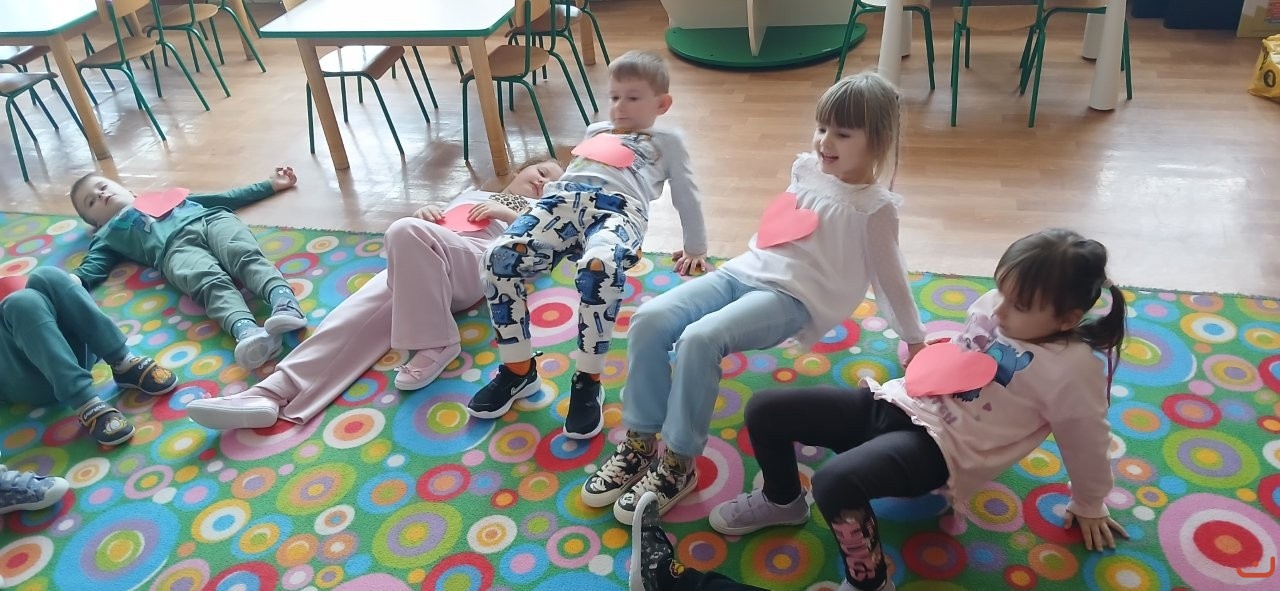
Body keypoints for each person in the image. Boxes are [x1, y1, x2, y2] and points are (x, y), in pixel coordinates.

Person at [702, 228, 1130, 591]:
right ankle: (782, 500)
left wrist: (1090, 502)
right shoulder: (996, 308)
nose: (998, 307)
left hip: (944, 450)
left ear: (1067, 319)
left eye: (1018, 304)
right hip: (898, 401)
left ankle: (870, 582)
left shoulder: (1072, 370)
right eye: (1002, 288)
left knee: (834, 483)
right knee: (766, 408)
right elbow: (965, 352)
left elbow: (1087, 439)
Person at [585, 73, 928, 525]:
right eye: (822, 127)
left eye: (843, 134)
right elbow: (782, 230)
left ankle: (679, 462)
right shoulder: (806, 169)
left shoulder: (874, 208)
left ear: (877, 140)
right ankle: (640, 439)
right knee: (649, 318)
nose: (825, 142)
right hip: (743, 271)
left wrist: (914, 338)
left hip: (793, 296)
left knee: (700, 340)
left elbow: (890, 275)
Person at [183, 161, 564, 429]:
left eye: (554, 183)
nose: (542, 182)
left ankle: (437, 341)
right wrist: (428, 212)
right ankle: (272, 391)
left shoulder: (542, 209)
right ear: (520, 169)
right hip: (424, 262)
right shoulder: (472, 193)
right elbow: (438, 223)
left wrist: (509, 215)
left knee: (403, 230)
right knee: (351, 317)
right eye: (541, 172)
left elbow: (540, 256)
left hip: (477, 263)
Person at [469, 50, 709, 441]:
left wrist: (695, 246)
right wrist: (536, 211)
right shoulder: (596, 130)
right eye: (614, 97)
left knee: (600, 268)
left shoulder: (668, 140)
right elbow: (576, 177)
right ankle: (517, 370)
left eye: (633, 98)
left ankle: (587, 380)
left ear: (661, 104)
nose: (620, 106)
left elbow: (687, 193)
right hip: (561, 202)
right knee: (498, 257)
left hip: (619, 209)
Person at [68, 167, 306, 371]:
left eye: (103, 187)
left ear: (129, 191)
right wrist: (73, 280)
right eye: (91, 201)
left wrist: (271, 185)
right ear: (96, 224)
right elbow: (94, 263)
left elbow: (223, 198)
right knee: (207, 282)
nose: (101, 195)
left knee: (243, 255)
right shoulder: (107, 234)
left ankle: (284, 303)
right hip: (173, 250)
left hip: (212, 220)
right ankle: (247, 331)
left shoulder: (166, 197)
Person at [0, 267, 177, 445]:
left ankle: (122, 361)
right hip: (27, 376)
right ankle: (85, 400)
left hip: (74, 354)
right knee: (22, 303)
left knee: (48, 275)